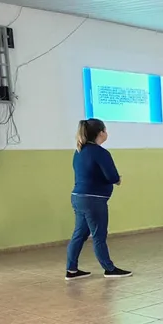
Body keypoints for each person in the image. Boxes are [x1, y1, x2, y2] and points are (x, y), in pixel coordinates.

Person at [65, 118, 132, 280]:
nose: (106, 133)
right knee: (99, 235)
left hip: (78, 197)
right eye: (105, 130)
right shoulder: (100, 152)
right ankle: (109, 269)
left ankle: (71, 270)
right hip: (93, 200)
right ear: (101, 133)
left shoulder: (79, 151)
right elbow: (112, 176)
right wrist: (117, 179)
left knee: (79, 234)